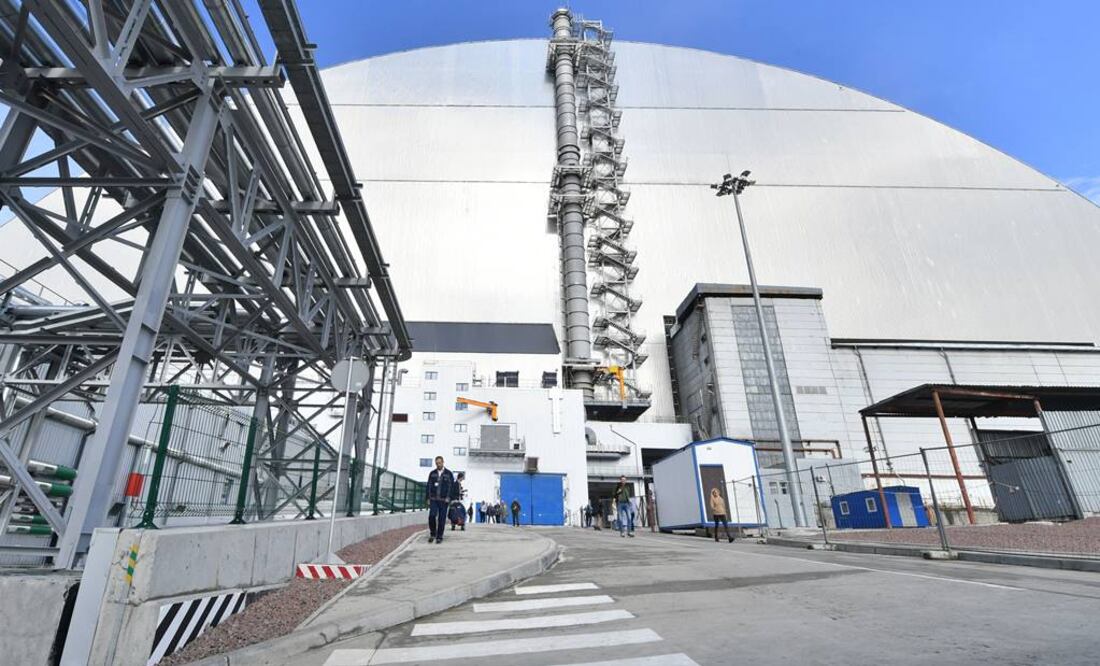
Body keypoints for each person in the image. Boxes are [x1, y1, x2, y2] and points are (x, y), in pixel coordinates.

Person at [425, 456, 454, 544]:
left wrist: (449, 497)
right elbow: (428, 486)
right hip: (433, 499)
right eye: (437, 463)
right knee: (432, 516)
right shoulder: (432, 473)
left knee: (442, 519)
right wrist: (427, 498)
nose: (438, 464)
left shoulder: (448, 473)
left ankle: (439, 536)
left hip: (444, 500)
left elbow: (451, 487)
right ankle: (433, 533)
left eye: (440, 463)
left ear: (443, 462)